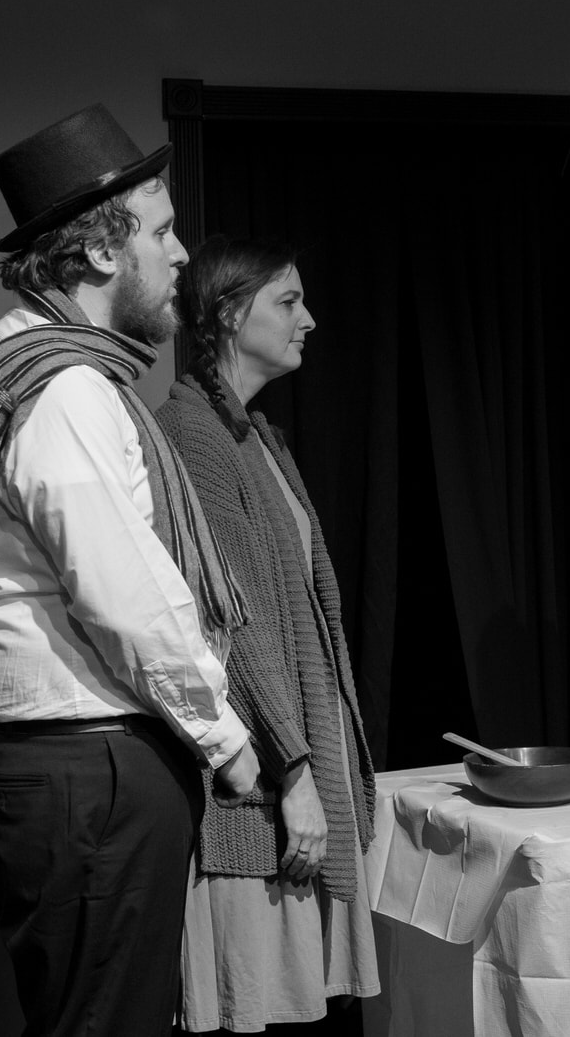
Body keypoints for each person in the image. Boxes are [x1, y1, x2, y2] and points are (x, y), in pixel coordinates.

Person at [0, 104, 258, 1035]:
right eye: (162, 232)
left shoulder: (38, 365)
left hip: (70, 767)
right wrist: (225, 736)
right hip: (83, 765)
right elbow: (126, 596)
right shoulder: (62, 389)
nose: (181, 255)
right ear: (98, 254)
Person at [154, 236, 378, 1030]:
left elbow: (305, 620)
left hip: (291, 774)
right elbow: (234, 622)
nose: (308, 319)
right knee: (259, 1010)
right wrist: (297, 770)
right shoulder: (194, 436)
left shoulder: (259, 437)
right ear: (226, 314)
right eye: (288, 302)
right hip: (254, 795)